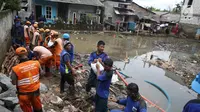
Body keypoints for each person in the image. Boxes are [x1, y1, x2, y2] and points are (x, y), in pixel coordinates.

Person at [11, 47, 43, 112]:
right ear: (27, 53)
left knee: (27, 109)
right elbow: (41, 74)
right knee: (38, 107)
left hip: (23, 94)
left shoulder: (15, 69)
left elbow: (14, 82)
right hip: (35, 91)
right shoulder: (36, 63)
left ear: (17, 56)